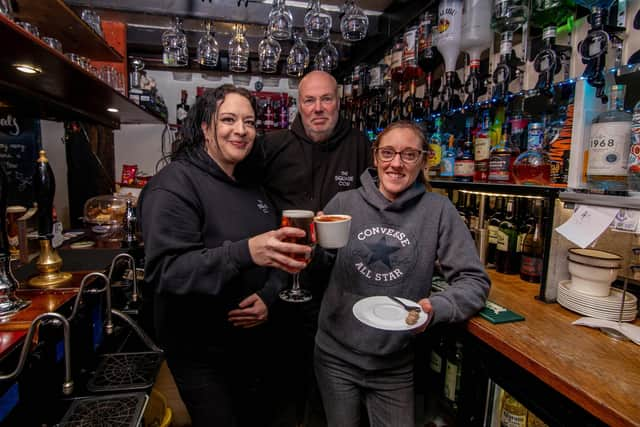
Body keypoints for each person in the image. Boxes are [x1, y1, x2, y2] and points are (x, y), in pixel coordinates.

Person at [138, 85, 312, 427]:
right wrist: (245, 251)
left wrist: (269, 296)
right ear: (205, 127)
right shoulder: (174, 185)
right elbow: (168, 271)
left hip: (255, 348)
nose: (241, 130)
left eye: (249, 122)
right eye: (228, 119)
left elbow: (274, 253)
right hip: (202, 354)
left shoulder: (250, 184)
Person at [313, 121, 491, 426]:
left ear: (422, 160)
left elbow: (474, 281)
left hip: (395, 365)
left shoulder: (438, 211)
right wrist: (313, 249)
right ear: (375, 157)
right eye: (388, 153)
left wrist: (437, 308)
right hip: (335, 358)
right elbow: (317, 272)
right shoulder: (344, 203)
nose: (396, 163)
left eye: (409, 155)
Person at [259, 70, 372, 425]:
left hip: (337, 288)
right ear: (299, 105)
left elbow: (377, 201)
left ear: (339, 103)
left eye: (327, 99)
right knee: (280, 380)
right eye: (310, 100)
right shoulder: (272, 145)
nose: (318, 108)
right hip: (278, 283)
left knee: (327, 385)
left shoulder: (360, 145)